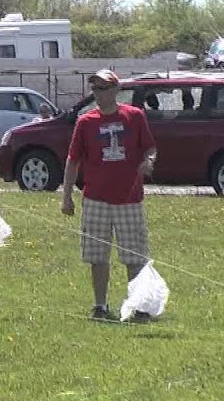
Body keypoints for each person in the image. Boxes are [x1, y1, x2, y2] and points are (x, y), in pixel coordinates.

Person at [61, 70, 158, 322]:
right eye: (95, 89)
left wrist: (148, 161)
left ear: (116, 90)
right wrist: (67, 196)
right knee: (97, 256)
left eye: (103, 88)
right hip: (95, 199)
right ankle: (100, 306)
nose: (99, 94)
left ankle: (138, 307)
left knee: (134, 256)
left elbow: (150, 146)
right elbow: (73, 161)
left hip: (129, 198)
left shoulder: (134, 116)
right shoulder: (85, 122)